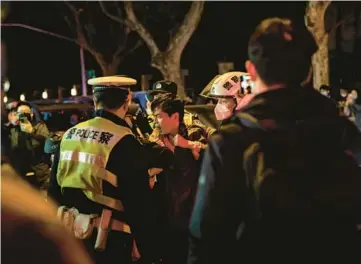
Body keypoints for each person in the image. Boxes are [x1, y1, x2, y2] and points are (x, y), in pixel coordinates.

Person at [188, 17, 361, 264]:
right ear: (308, 70)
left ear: (251, 70)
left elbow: (205, 235)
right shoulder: (341, 130)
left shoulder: (233, 140)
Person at [48, 76, 162, 264]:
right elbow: (139, 205)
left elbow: (53, 190)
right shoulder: (124, 140)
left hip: (71, 238)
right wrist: (149, 251)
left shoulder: (69, 134)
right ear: (127, 101)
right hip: (110, 243)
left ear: (94, 101)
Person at [150, 93, 205, 264]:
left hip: (191, 219)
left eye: (159, 116)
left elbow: (214, 156)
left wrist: (188, 145)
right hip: (165, 220)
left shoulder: (195, 135)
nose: (155, 122)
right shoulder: (155, 141)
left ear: (175, 116)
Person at [8, 101, 50, 190]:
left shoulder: (39, 126)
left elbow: (48, 139)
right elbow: (11, 148)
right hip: (21, 171)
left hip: (40, 170)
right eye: (20, 113)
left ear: (31, 113)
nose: (23, 116)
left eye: (25, 113)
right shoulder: (13, 129)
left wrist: (32, 131)